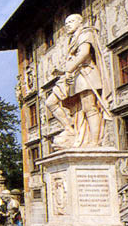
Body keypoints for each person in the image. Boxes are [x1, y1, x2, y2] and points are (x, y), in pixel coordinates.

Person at [45, 14, 112, 149]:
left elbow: (84, 53)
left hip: (85, 73)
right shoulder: (72, 38)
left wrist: (68, 69)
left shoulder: (86, 33)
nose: (67, 25)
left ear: (80, 22)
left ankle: (94, 142)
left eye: (71, 22)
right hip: (72, 76)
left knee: (89, 108)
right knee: (50, 102)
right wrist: (64, 71)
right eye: (66, 23)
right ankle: (69, 129)